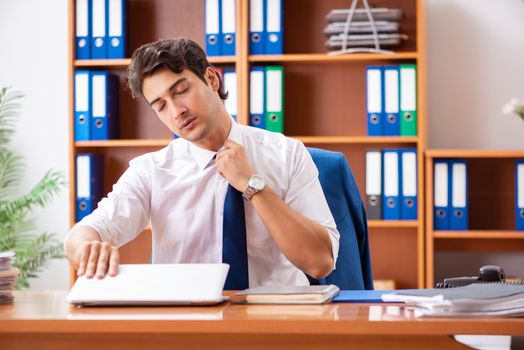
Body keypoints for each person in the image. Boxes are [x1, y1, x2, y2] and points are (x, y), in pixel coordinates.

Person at [65, 37, 339, 288]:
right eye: (160, 106)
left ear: (211, 79)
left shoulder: (286, 154)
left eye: (181, 90)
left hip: (276, 319)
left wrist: (251, 185)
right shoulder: (151, 171)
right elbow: (85, 233)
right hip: (188, 322)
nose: (176, 111)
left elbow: (320, 262)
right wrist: (86, 248)